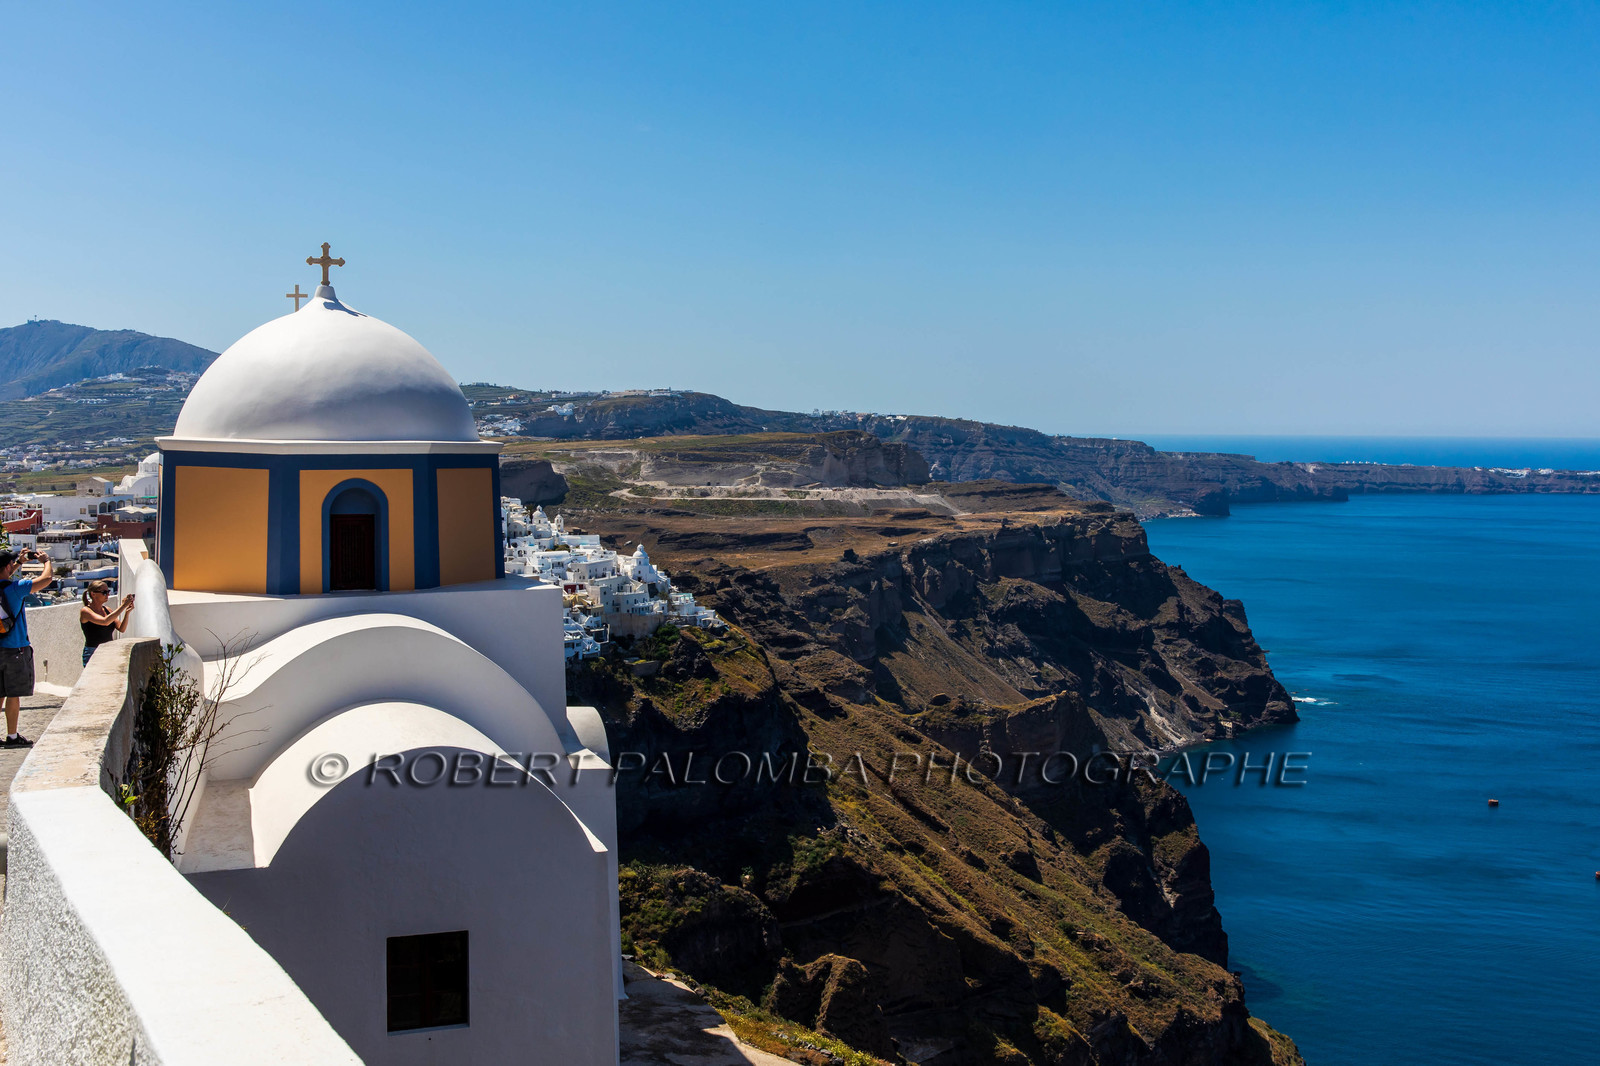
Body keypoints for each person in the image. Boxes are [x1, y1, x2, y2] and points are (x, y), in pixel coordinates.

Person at [0, 547, 56, 748]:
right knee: (12, 693)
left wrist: (18, 562)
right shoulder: (16, 588)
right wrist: (46, 560)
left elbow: (3, 574)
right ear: (7, 567)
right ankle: (12, 736)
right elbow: (46, 579)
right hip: (15, 647)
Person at [79, 580, 134, 668]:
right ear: (93, 594)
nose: (108, 594)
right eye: (104, 592)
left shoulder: (107, 610)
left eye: (108, 592)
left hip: (109, 650)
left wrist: (127, 612)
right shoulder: (86, 611)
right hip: (93, 652)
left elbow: (121, 628)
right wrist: (123, 606)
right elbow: (105, 621)